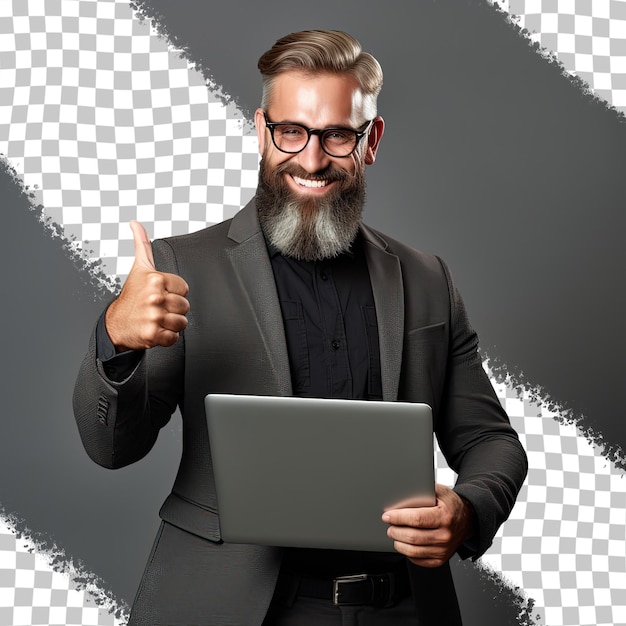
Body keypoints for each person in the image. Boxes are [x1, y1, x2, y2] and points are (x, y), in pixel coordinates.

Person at [73, 29, 527, 626]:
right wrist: (117, 340)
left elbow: (492, 441)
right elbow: (111, 450)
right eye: (292, 131)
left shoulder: (426, 279)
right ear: (262, 131)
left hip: (403, 609)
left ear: (371, 141)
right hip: (235, 609)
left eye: (337, 134)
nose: (311, 159)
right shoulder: (179, 271)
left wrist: (466, 510)